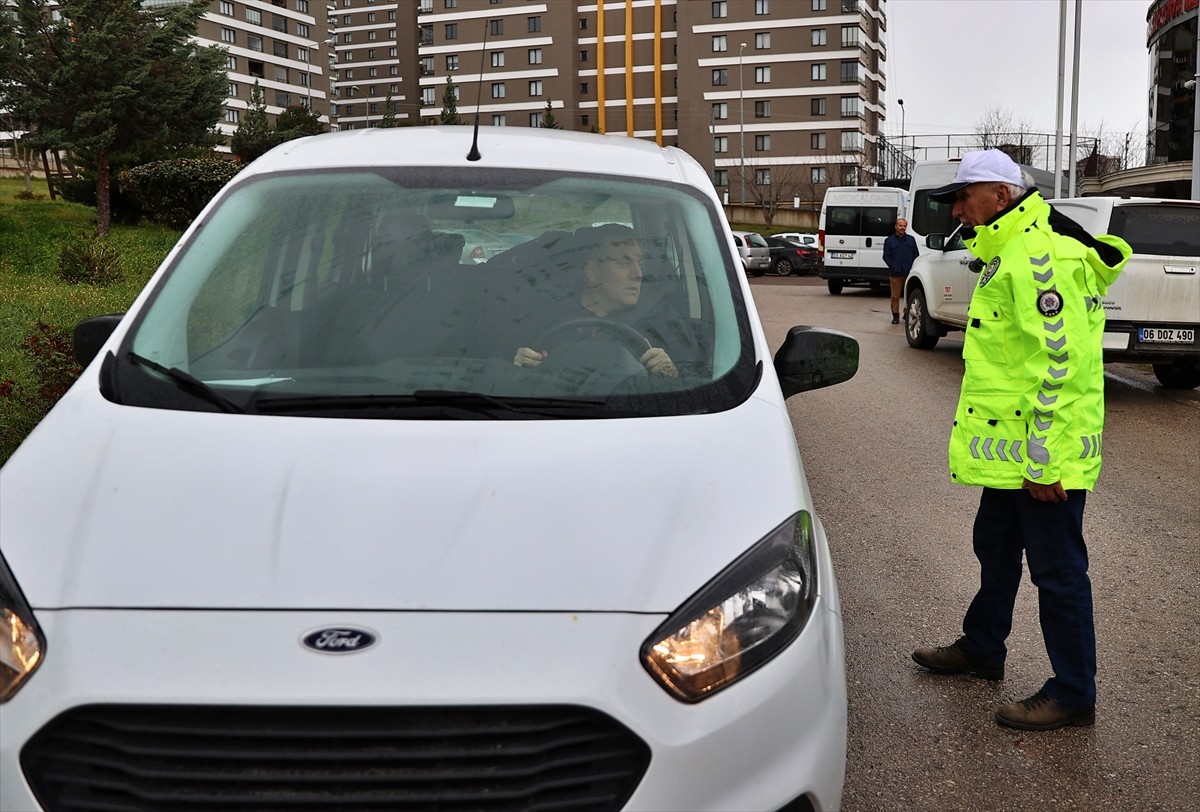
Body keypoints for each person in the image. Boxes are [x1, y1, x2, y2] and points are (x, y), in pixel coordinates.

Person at [909, 149, 1131, 731]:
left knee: (1057, 572)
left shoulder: (1038, 257)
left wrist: (1044, 462)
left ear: (1001, 196)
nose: (957, 209)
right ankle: (984, 646)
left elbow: (1058, 367)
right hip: (1016, 453)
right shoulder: (1009, 250)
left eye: (964, 196)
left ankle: (1074, 691)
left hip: (1040, 459)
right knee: (997, 549)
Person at [512, 224, 680, 378]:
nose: (638, 274)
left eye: (640, 263)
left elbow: (693, 382)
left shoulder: (661, 322)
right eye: (623, 262)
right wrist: (519, 365)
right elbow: (500, 375)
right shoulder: (540, 317)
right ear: (592, 271)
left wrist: (669, 371)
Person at [882, 217, 919, 324]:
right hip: (895, 273)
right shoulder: (889, 240)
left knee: (909, 296)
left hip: (909, 273)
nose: (902, 228)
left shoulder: (911, 240)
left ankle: (907, 313)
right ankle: (895, 315)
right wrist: (893, 267)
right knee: (895, 296)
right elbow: (886, 256)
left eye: (904, 226)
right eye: (900, 225)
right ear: (896, 226)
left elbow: (916, 254)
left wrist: (912, 266)